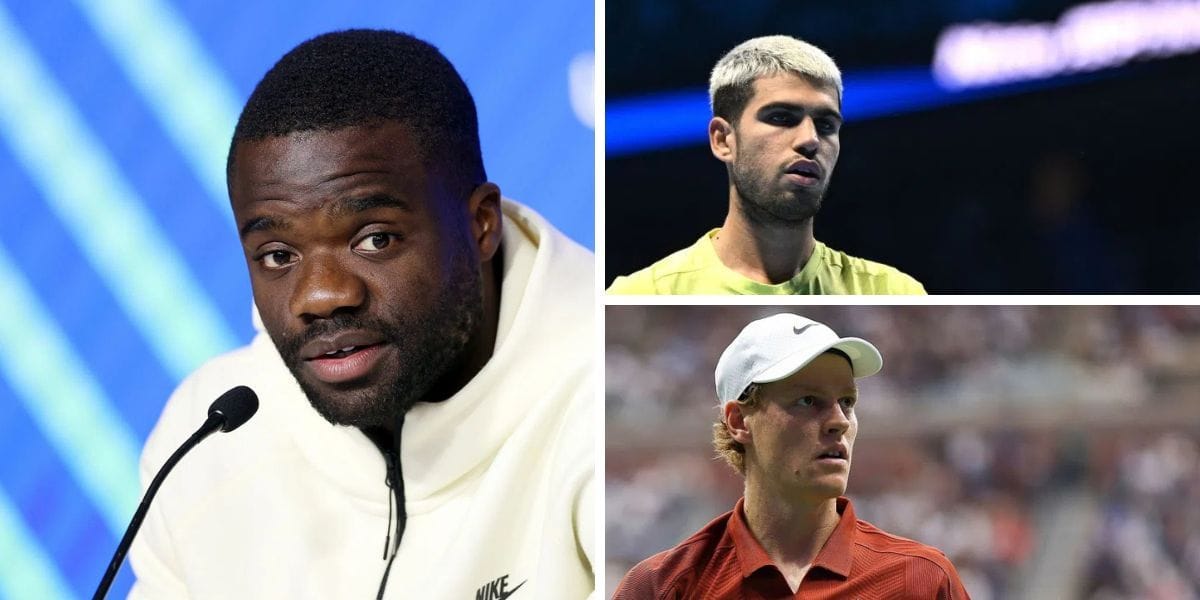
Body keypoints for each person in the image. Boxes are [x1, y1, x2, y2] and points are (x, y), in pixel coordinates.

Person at [128, 30, 595, 599]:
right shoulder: (206, 440)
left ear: (480, 226)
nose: (321, 296)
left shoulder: (595, 403)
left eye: (374, 240)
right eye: (278, 256)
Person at [612, 313, 968, 599]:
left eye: (847, 402)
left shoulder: (920, 580)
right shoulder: (662, 587)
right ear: (739, 421)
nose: (839, 422)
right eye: (807, 401)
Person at [607, 36, 925, 295]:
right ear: (723, 139)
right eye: (781, 118)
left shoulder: (895, 291)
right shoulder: (644, 293)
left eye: (827, 125)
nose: (810, 140)